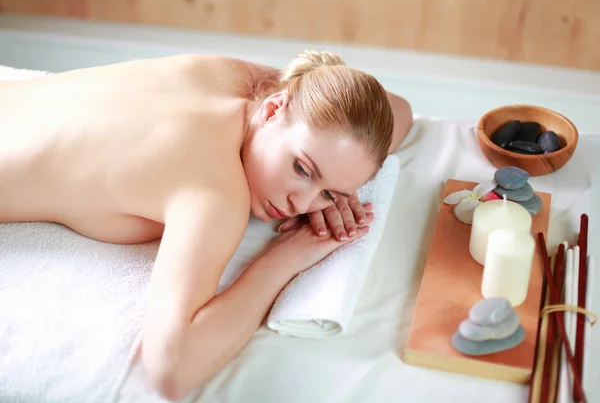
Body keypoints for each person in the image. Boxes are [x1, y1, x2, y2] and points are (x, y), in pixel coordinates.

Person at [0, 50, 412, 400]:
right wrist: (288, 257)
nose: (299, 205)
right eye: (301, 168)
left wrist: (336, 179)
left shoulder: (238, 80)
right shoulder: (216, 193)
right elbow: (173, 369)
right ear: (272, 110)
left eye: (328, 196)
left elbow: (397, 109)